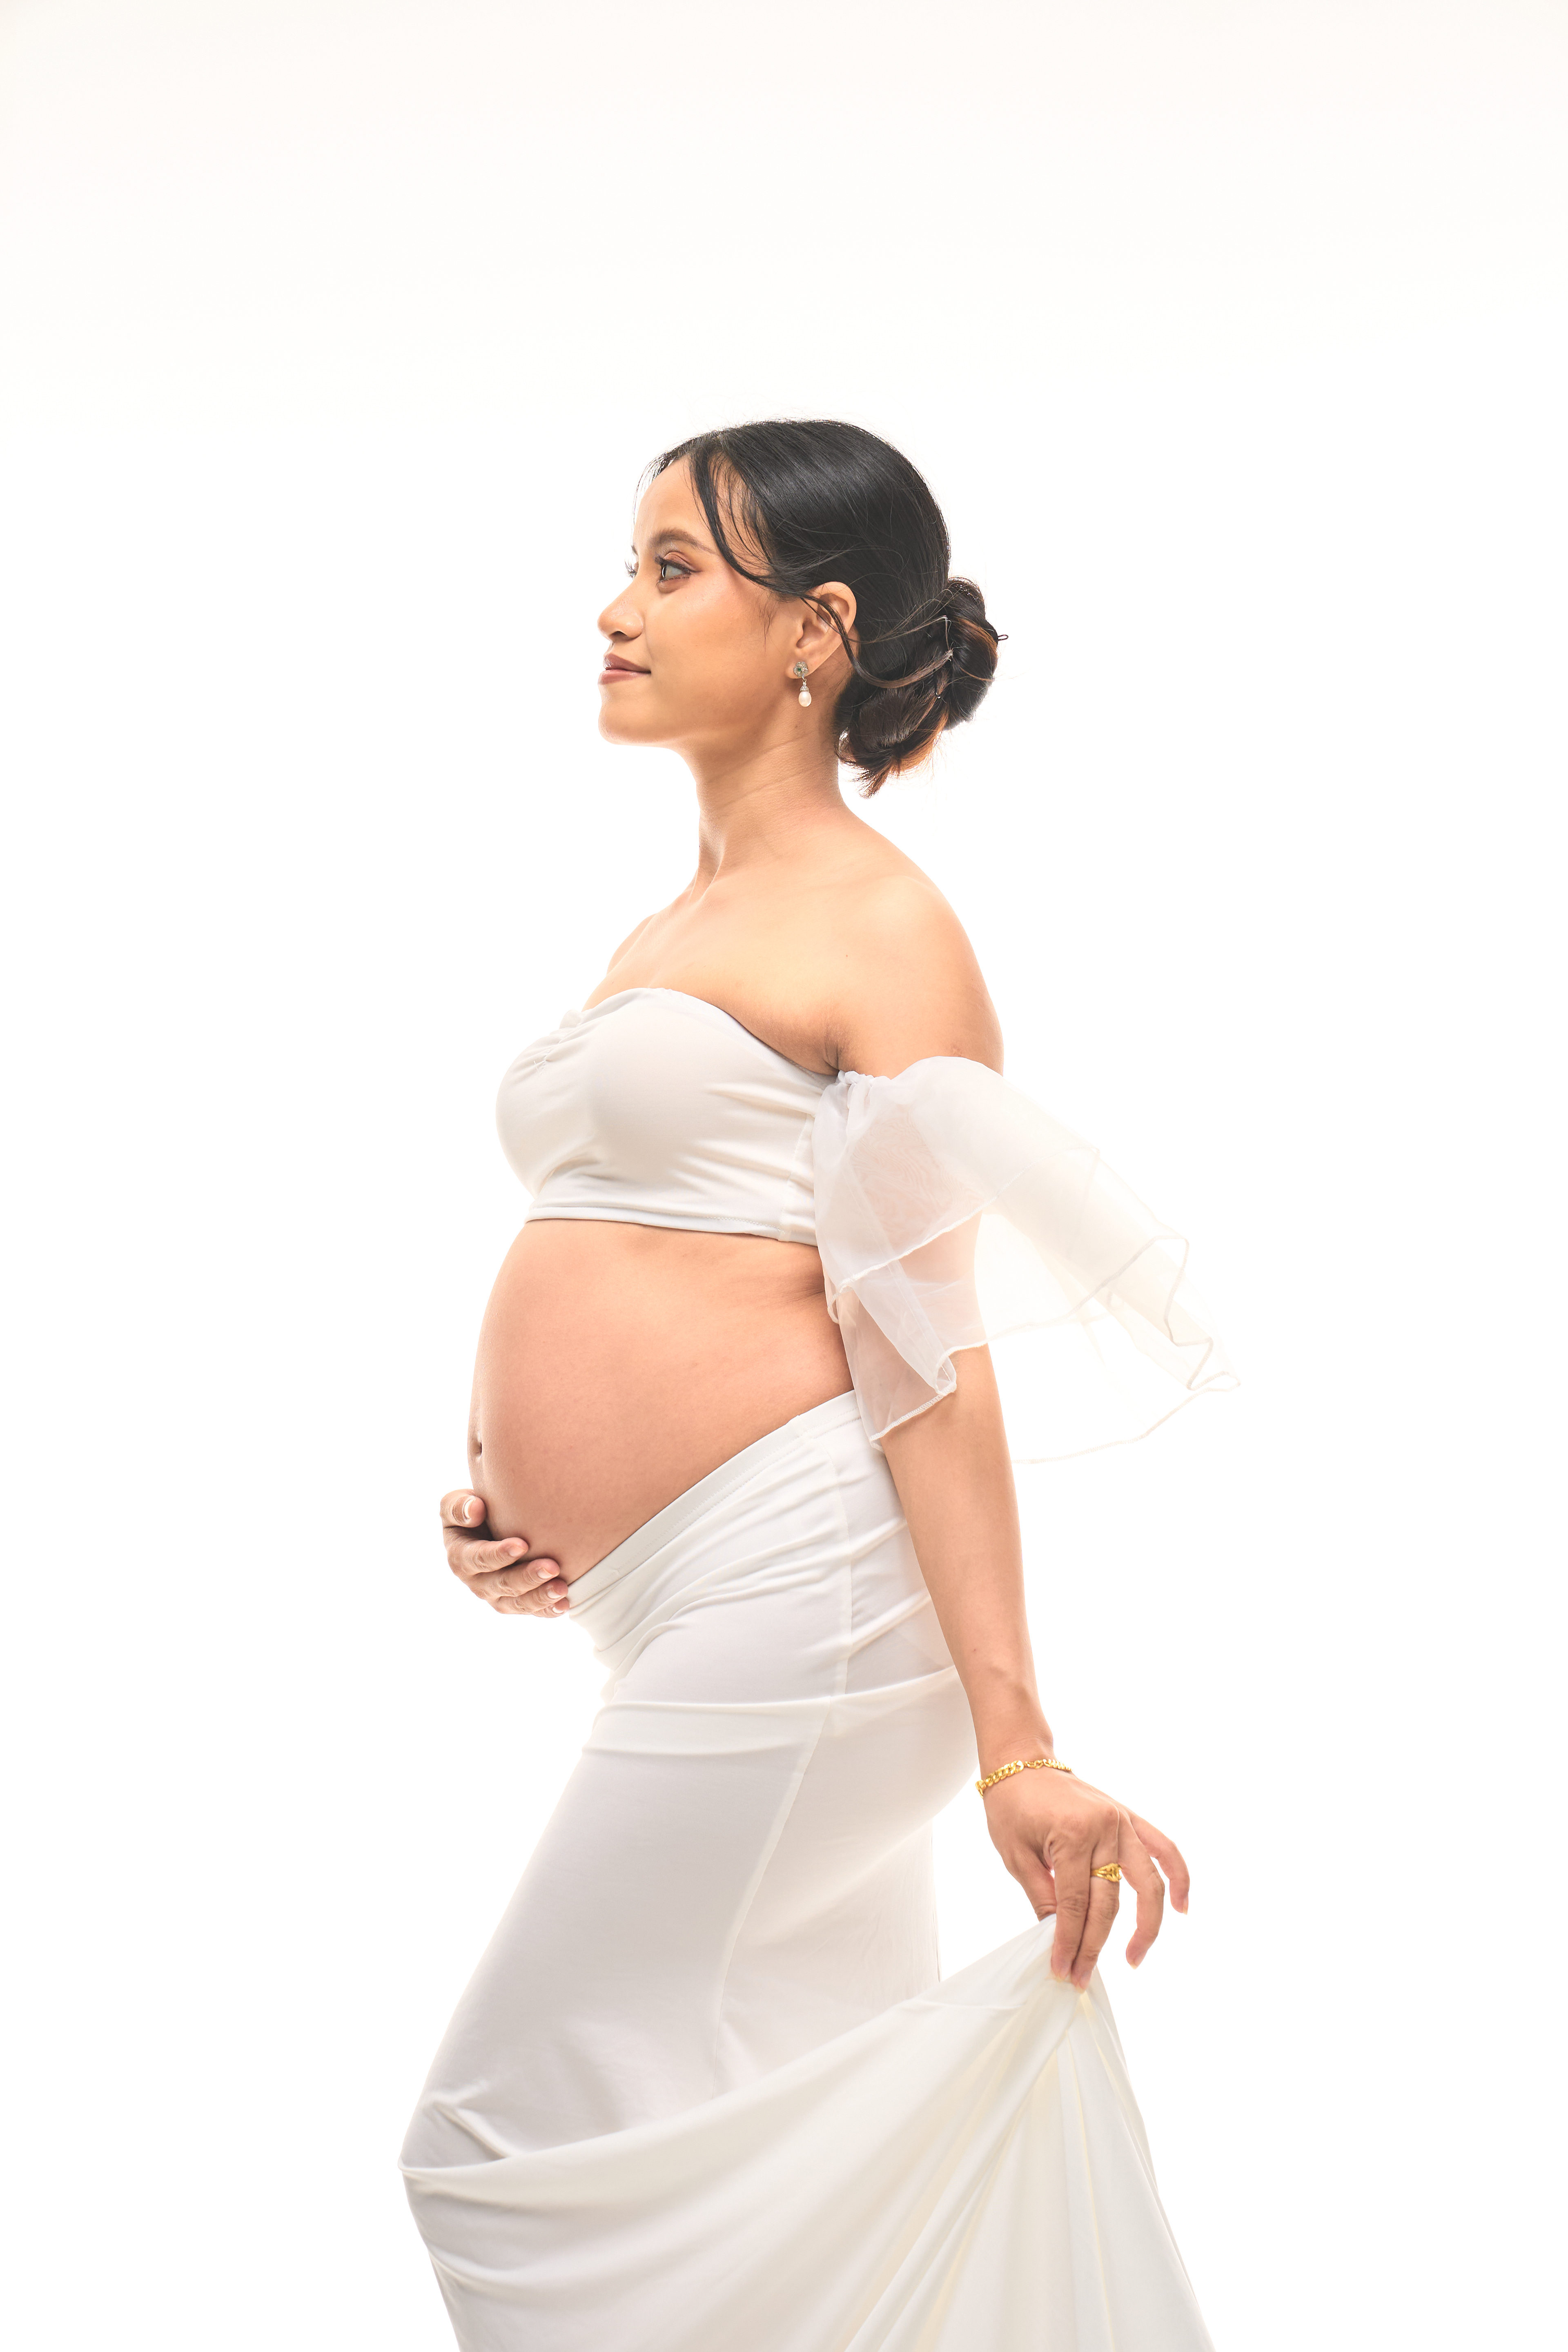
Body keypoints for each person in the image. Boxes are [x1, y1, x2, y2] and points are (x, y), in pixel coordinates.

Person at [401, 419, 1233, 2350]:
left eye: (673, 568)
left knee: (494, 2144)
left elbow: (928, 1355)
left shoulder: (881, 927)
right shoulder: (669, 930)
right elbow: (653, 1240)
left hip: (815, 1591)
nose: (615, 611)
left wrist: (1017, 1749)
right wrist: (512, 1497)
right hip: (676, 1600)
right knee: (767, 2148)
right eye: (629, 563)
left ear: (816, 630)